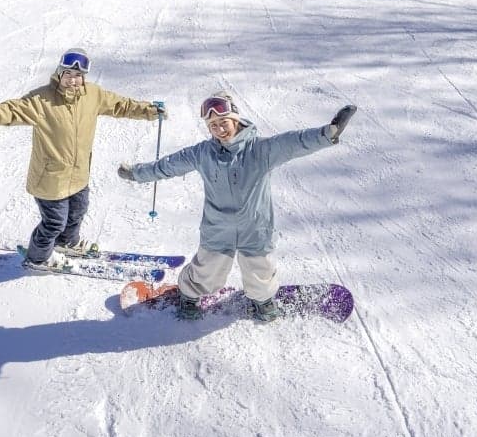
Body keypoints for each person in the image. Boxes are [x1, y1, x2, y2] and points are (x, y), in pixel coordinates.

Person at [117, 93, 357, 322]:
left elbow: (295, 142)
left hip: (255, 227)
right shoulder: (203, 153)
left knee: (260, 271)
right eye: (213, 125)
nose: (220, 129)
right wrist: (136, 173)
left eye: (223, 122)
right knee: (206, 270)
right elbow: (168, 165)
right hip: (217, 227)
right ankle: (189, 297)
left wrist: (328, 133)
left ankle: (263, 302)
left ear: (236, 119)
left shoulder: (260, 150)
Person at [0, 48, 164, 271]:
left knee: (78, 211)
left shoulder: (93, 95)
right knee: (54, 222)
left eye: (77, 76)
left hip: (79, 173)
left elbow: (121, 105)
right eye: (68, 75)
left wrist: (150, 111)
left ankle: (67, 243)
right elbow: (11, 111)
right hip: (50, 178)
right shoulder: (41, 100)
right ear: (59, 73)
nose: (73, 81)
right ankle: (38, 258)